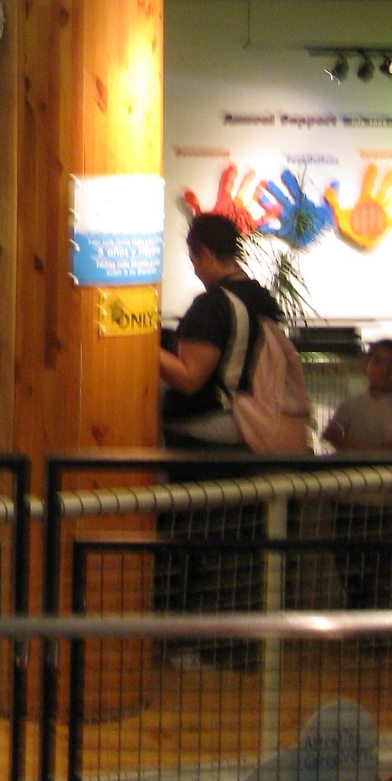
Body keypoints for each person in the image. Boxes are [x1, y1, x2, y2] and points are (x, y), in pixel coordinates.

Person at [156, 212, 285, 668]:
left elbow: (191, 377)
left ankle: (204, 646)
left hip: (205, 443)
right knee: (238, 551)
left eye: (194, 259)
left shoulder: (213, 306)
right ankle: (237, 646)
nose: (195, 269)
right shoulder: (264, 300)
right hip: (251, 437)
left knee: (197, 548)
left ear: (205, 253)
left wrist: (144, 342)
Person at [323, 338, 392, 614]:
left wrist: (350, 445)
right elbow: (332, 433)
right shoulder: (352, 404)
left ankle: (381, 617)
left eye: (391, 365)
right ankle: (359, 610)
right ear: (365, 366)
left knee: (376, 562)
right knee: (346, 559)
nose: (383, 370)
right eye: (377, 362)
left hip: (377, 499)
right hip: (346, 496)